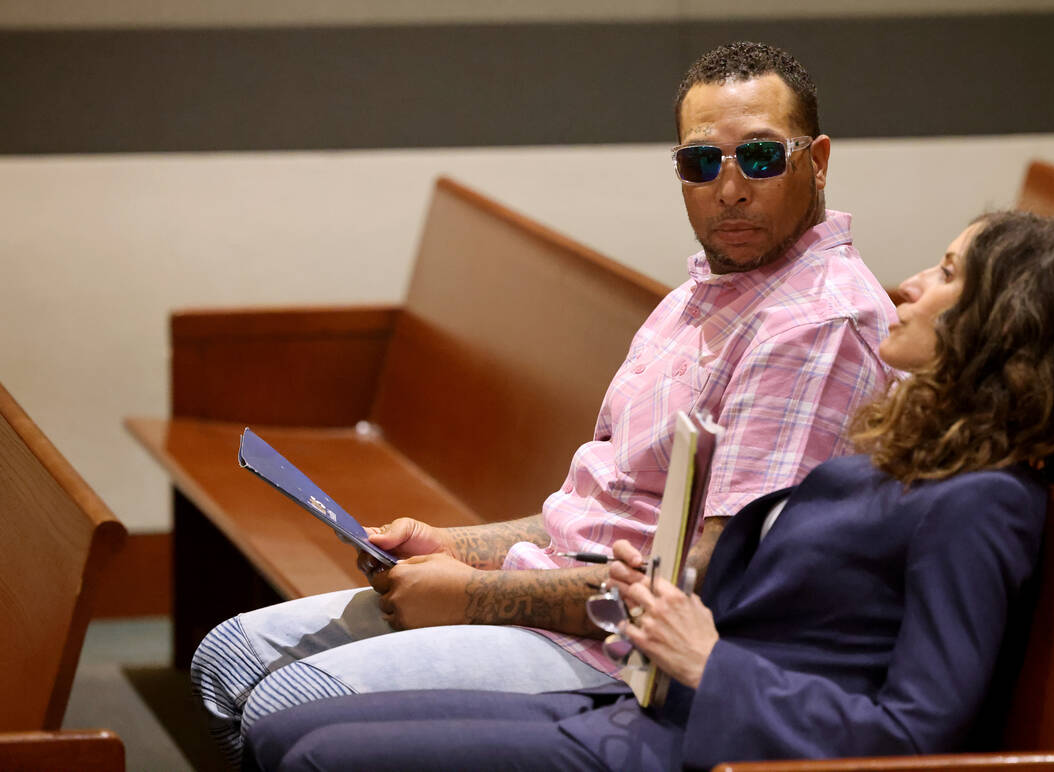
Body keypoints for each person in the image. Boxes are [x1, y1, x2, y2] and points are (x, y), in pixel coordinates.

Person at [191, 41, 897, 763]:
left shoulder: (815, 326)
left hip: (621, 660)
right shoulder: (699, 297)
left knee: (283, 707)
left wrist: (472, 595)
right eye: (699, 163)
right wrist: (459, 547)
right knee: (226, 658)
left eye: (759, 158)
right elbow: (593, 511)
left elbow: (706, 586)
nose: (730, 188)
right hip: (561, 597)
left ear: (817, 160)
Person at [243, 210, 1054, 772]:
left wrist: (711, 660)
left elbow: (915, 738)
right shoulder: (912, 452)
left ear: (1004, 326)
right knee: (295, 736)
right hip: (653, 707)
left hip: (708, 743)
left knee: (319, 752)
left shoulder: (983, 503)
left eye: (947, 273)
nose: (910, 283)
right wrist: (652, 589)